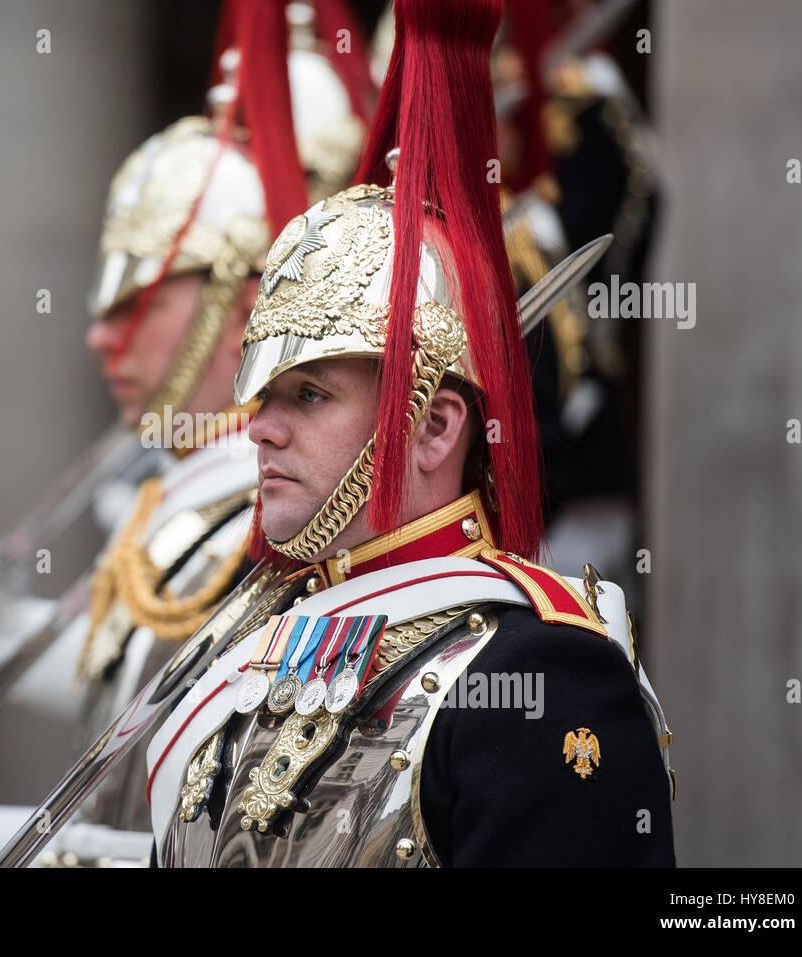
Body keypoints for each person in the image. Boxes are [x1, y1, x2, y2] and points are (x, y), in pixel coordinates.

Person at [0, 0, 373, 868]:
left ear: (240, 307)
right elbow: (130, 675)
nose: (99, 334)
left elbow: (229, 848)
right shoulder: (187, 495)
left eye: (137, 304)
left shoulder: (286, 516)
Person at [143, 0, 674, 867]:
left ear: (431, 429)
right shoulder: (269, 644)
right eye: (263, 393)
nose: (260, 430)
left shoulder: (538, 677)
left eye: (308, 395)